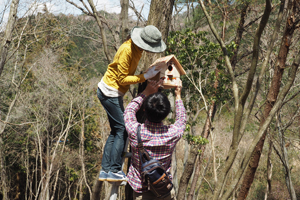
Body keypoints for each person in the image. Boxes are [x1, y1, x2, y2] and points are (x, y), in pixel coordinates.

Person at [97, 25, 166, 182]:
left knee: (116, 130)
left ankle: (105, 169)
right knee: (122, 129)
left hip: (115, 92)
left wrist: (147, 74)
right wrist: (144, 76)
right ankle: (114, 169)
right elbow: (122, 78)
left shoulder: (138, 49)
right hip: (110, 92)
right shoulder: (127, 49)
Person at [124, 79, 187, 200]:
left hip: (141, 191)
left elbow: (129, 110)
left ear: (144, 110)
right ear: (166, 113)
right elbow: (181, 119)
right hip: (164, 189)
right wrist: (178, 95)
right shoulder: (172, 134)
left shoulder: (135, 131)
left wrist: (145, 92)